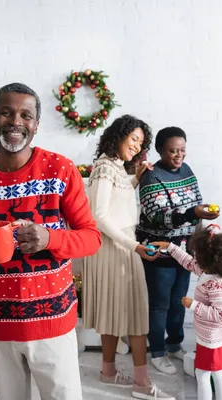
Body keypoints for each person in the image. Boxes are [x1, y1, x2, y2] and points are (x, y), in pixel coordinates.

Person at [0, 82, 101, 400]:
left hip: (53, 324)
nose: (15, 121)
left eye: (26, 114)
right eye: (6, 113)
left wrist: (49, 237)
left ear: (36, 125)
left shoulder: (61, 170)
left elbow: (91, 239)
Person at [82, 114, 175, 400]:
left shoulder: (114, 168)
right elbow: (99, 216)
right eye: (133, 139)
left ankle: (107, 372)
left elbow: (115, 201)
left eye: (141, 142)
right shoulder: (105, 168)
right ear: (119, 135)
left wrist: (135, 178)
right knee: (137, 314)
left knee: (113, 313)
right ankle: (142, 382)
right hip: (115, 247)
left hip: (120, 244)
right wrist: (133, 247)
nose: (137, 146)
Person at [136, 126, 219, 374]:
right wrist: (193, 213)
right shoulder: (151, 177)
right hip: (160, 252)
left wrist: (203, 224)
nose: (179, 155)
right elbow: (158, 217)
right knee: (159, 303)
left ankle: (174, 345)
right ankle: (158, 351)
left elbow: (196, 202)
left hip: (185, 252)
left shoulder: (187, 170)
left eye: (182, 150)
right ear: (160, 150)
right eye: (173, 151)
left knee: (178, 301)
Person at [152, 225, 222, 400]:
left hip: (211, 340)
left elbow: (220, 315)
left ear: (209, 258)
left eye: (198, 254)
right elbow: (187, 261)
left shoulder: (217, 285)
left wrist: (193, 305)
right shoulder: (206, 272)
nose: (195, 257)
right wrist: (170, 247)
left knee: (202, 374)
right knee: (217, 373)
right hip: (211, 337)